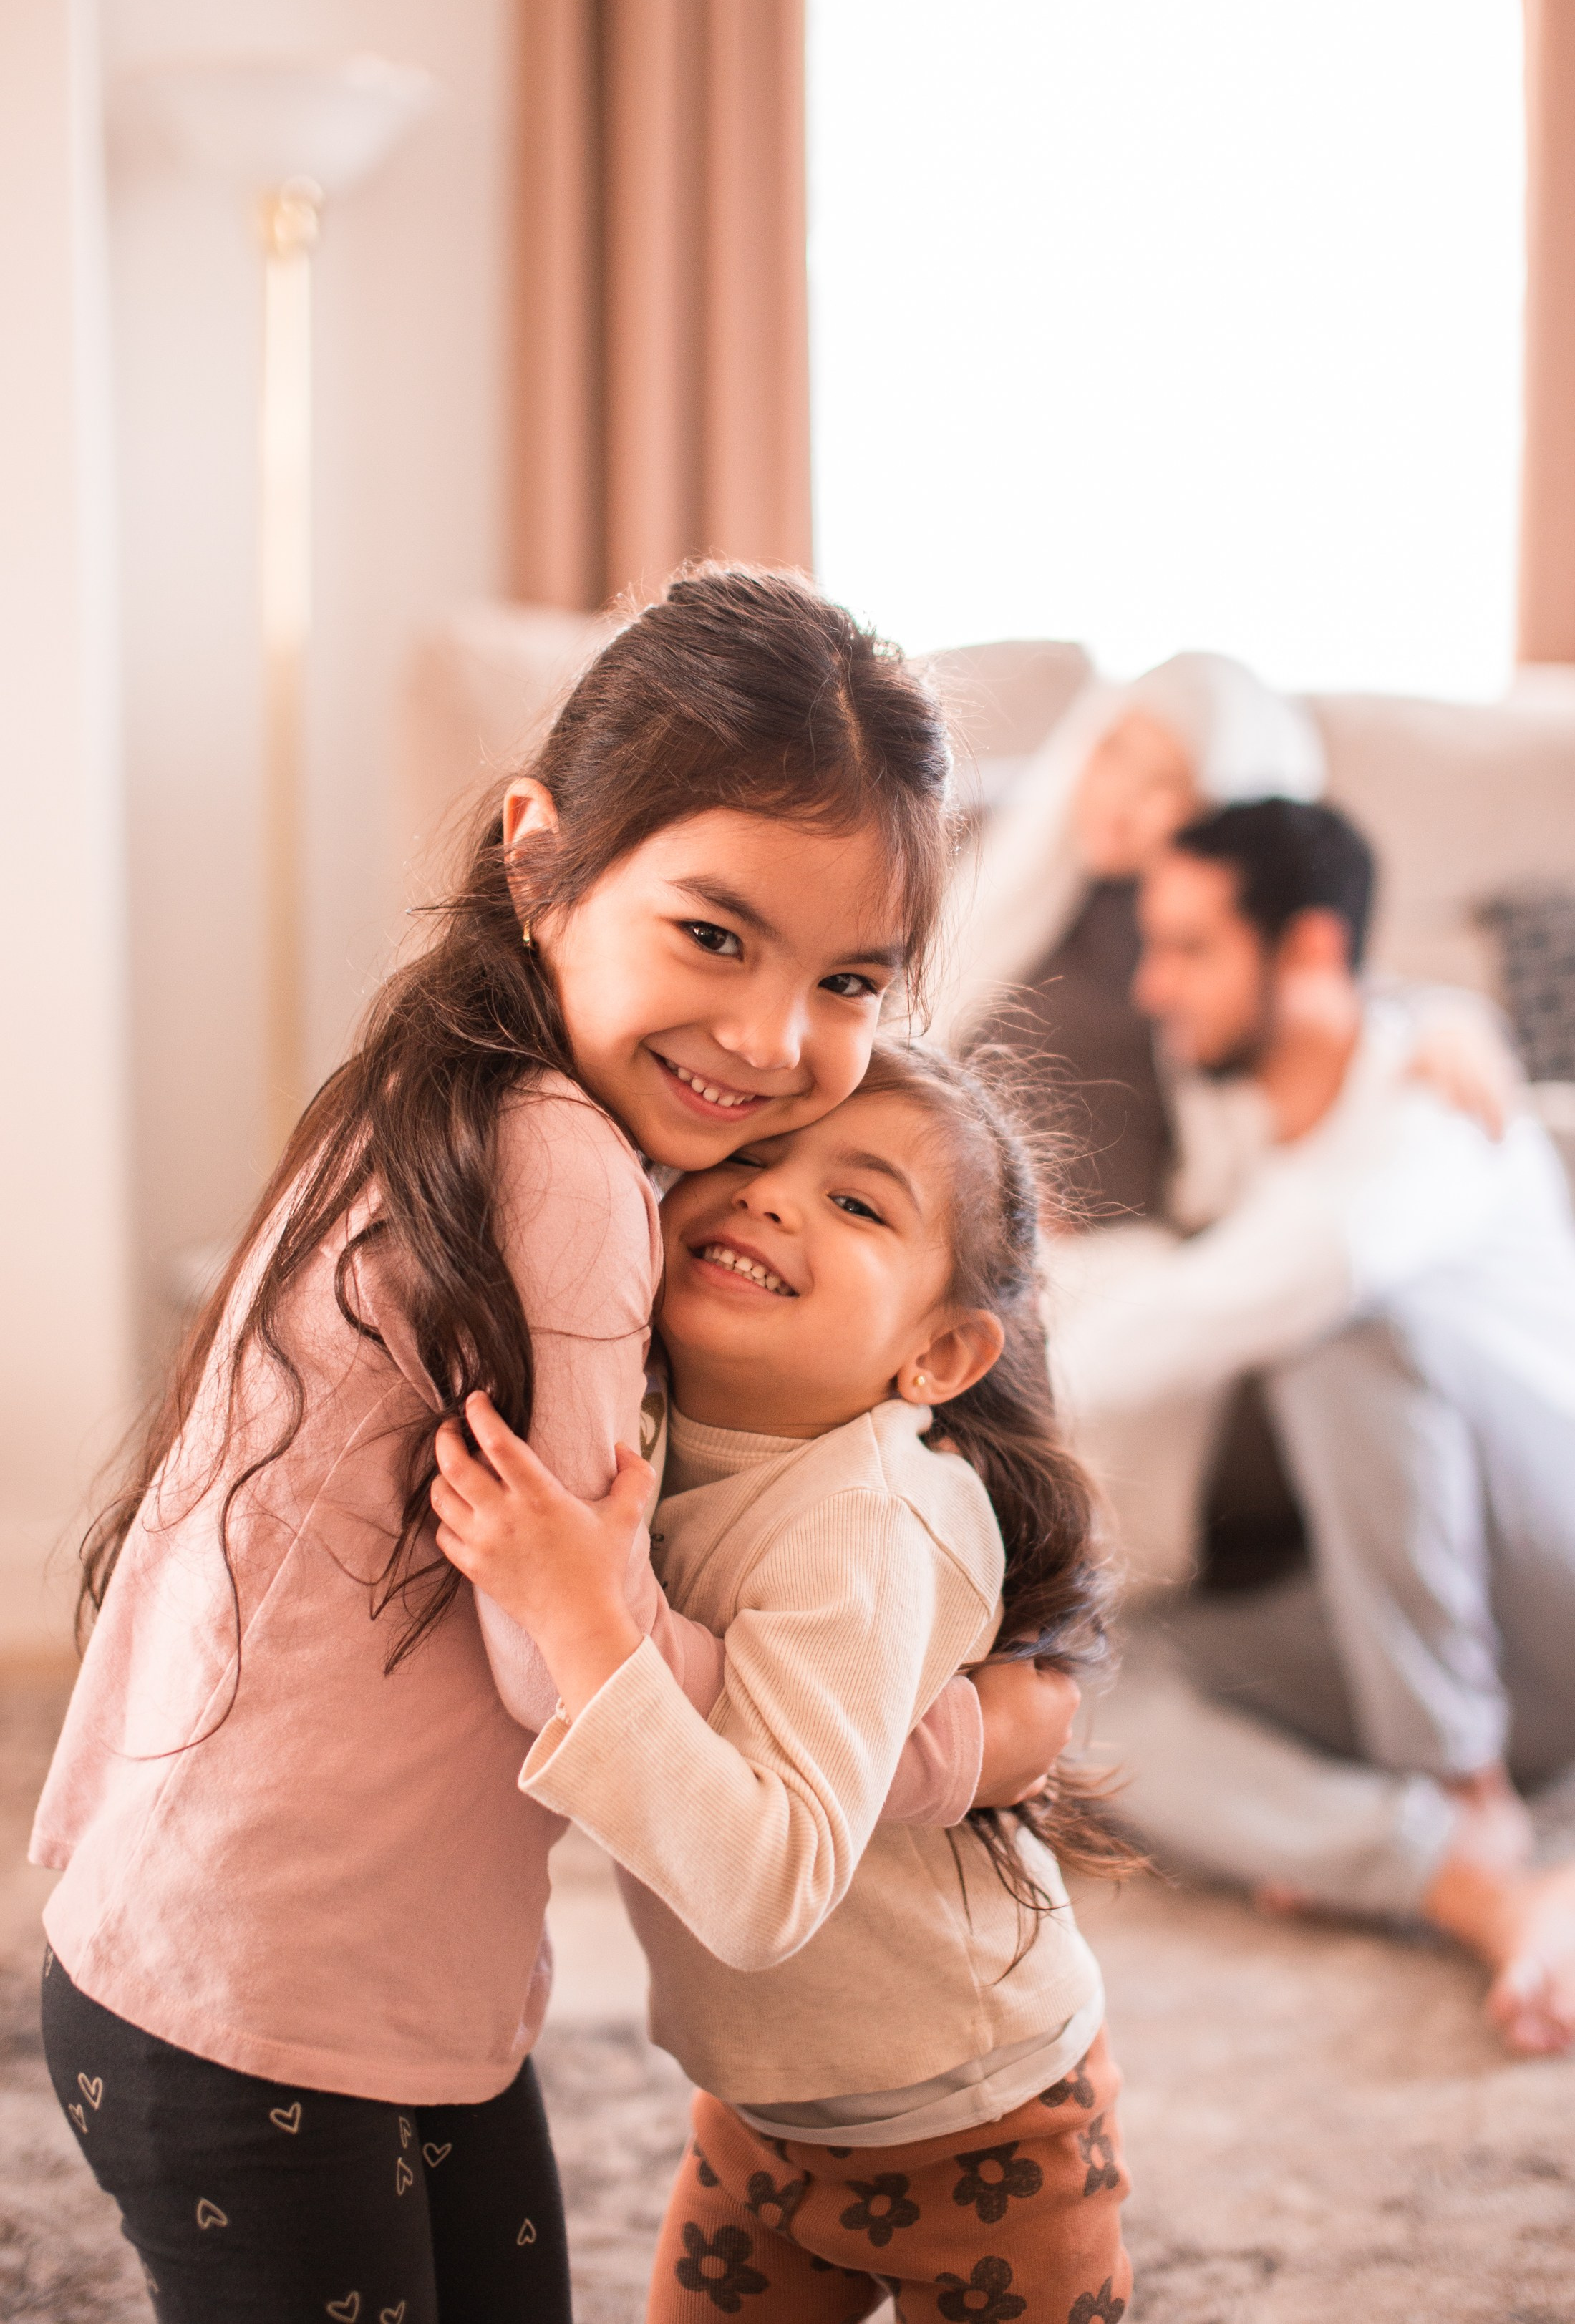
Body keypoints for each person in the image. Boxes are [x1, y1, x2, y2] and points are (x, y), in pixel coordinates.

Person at [31, 568, 1065, 2324]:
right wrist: (946, 1735)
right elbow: (560, 1655)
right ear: (540, 857)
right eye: (714, 935)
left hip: (274, 1956)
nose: (770, 1039)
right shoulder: (566, 1170)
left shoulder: (432, 1078)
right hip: (277, 2012)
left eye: (851, 980)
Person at [430, 1041, 1136, 2324]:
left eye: (857, 1203)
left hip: (984, 2128)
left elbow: (765, 1888)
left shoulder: (871, 1522)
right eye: (750, 1156)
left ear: (938, 1355)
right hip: (762, 2115)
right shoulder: (631, 1419)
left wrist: (582, 1619)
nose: (768, 1195)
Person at [1052, 797, 1575, 2056]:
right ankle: (1439, 1868)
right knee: (1074, 1691)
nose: (1156, 985)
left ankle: (1463, 1788)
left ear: (1309, 957)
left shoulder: (1428, 1118)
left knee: (1340, 1325)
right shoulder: (1266, 1130)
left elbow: (1268, 1285)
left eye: (1190, 949)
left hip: (1553, 1580)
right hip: (1422, 1621)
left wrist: (973, 1382)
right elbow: (1198, 1268)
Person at [941, 650, 1327, 1219]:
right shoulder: (990, 834)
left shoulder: (1204, 935)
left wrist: (1442, 1022)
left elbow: (1324, 992)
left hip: (1103, 1240)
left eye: (1165, 784)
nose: (1120, 799)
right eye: (1115, 753)